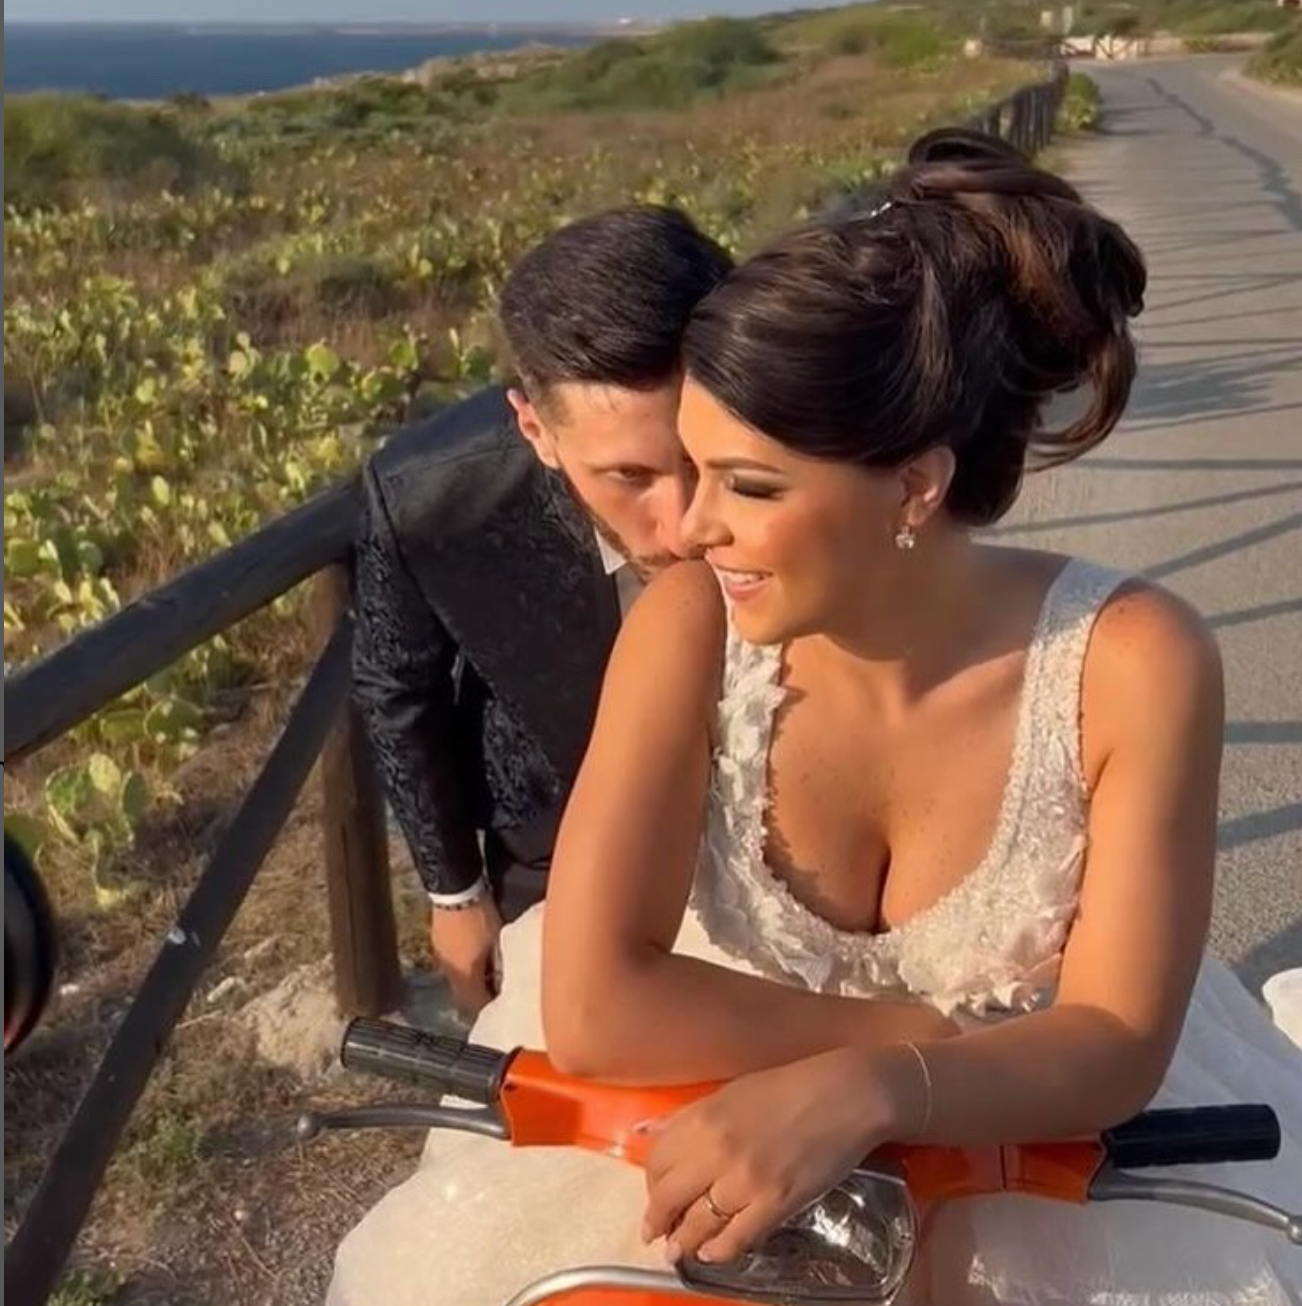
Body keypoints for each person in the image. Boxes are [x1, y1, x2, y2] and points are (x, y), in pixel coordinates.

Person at [328, 131, 1302, 1305]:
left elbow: (1116, 1038)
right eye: (688, 469)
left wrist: (876, 1083)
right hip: (716, 1153)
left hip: (1046, 1170)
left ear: (914, 483)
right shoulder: (686, 627)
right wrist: (914, 1030)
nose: (688, 530)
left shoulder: (1134, 659)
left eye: (750, 486)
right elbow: (593, 1005)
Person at [352, 204, 732, 1014]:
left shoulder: (820, 438)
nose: (684, 523)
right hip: (553, 847)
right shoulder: (428, 498)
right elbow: (397, 689)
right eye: (628, 477)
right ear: (535, 428)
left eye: (706, 459)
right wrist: (454, 895)